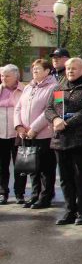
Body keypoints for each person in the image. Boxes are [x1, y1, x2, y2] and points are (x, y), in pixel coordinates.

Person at [45, 58, 82, 225]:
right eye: (68, 68)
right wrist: (55, 120)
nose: (70, 71)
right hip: (60, 140)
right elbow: (49, 109)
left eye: (74, 69)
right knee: (65, 177)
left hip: (80, 139)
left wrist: (67, 123)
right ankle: (70, 210)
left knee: (80, 176)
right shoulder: (58, 88)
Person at [14, 59, 58, 209]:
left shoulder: (55, 87)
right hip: (25, 134)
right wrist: (19, 126)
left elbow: (51, 110)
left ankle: (45, 197)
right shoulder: (28, 87)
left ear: (47, 71)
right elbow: (18, 107)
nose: (35, 72)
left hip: (44, 134)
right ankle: (34, 195)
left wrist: (34, 128)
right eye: (33, 69)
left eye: (38, 69)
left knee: (46, 168)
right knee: (32, 167)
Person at [0, 65, 25, 204]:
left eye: (7, 76)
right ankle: (3, 192)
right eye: (2, 76)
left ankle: (19, 193)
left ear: (16, 76)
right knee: (2, 166)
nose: (4, 78)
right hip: (0, 134)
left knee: (20, 165)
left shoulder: (24, 90)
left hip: (18, 134)